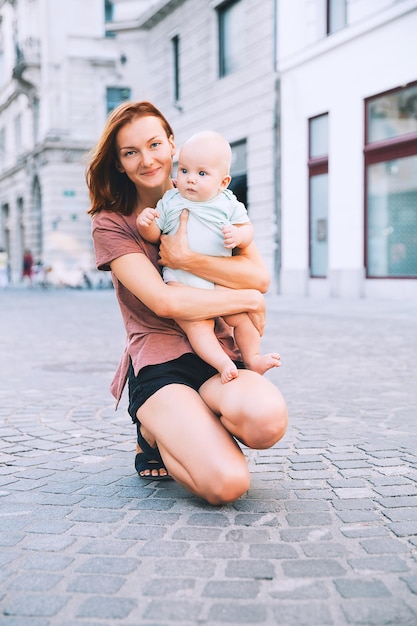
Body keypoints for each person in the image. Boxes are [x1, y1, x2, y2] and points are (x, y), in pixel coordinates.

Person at [86, 101, 287, 503]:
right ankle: (152, 432)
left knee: (266, 422)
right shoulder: (112, 223)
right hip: (160, 361)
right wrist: (245, 297)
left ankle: (197, 419)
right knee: (227, 485)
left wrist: (187, 259)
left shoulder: (215, 199)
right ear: (119, 164)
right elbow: (164, 302)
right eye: (130, 152)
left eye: (155, 144)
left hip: (218, 354)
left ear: (172, 143)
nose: (147, 159)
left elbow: (260, 276)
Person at [137, 130, 281, 384]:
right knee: (198, 327)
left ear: (223, 182)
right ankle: (223, 363)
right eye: (184, 171)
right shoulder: (171, 200)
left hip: (216, 280)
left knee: (242, 319)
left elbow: (246, 228)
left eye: (202, 174)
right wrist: (145, 223)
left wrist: (239, 237)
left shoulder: (228, 203)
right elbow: (154, 235)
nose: (190, 179)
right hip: (181, 282)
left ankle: (253, 358)